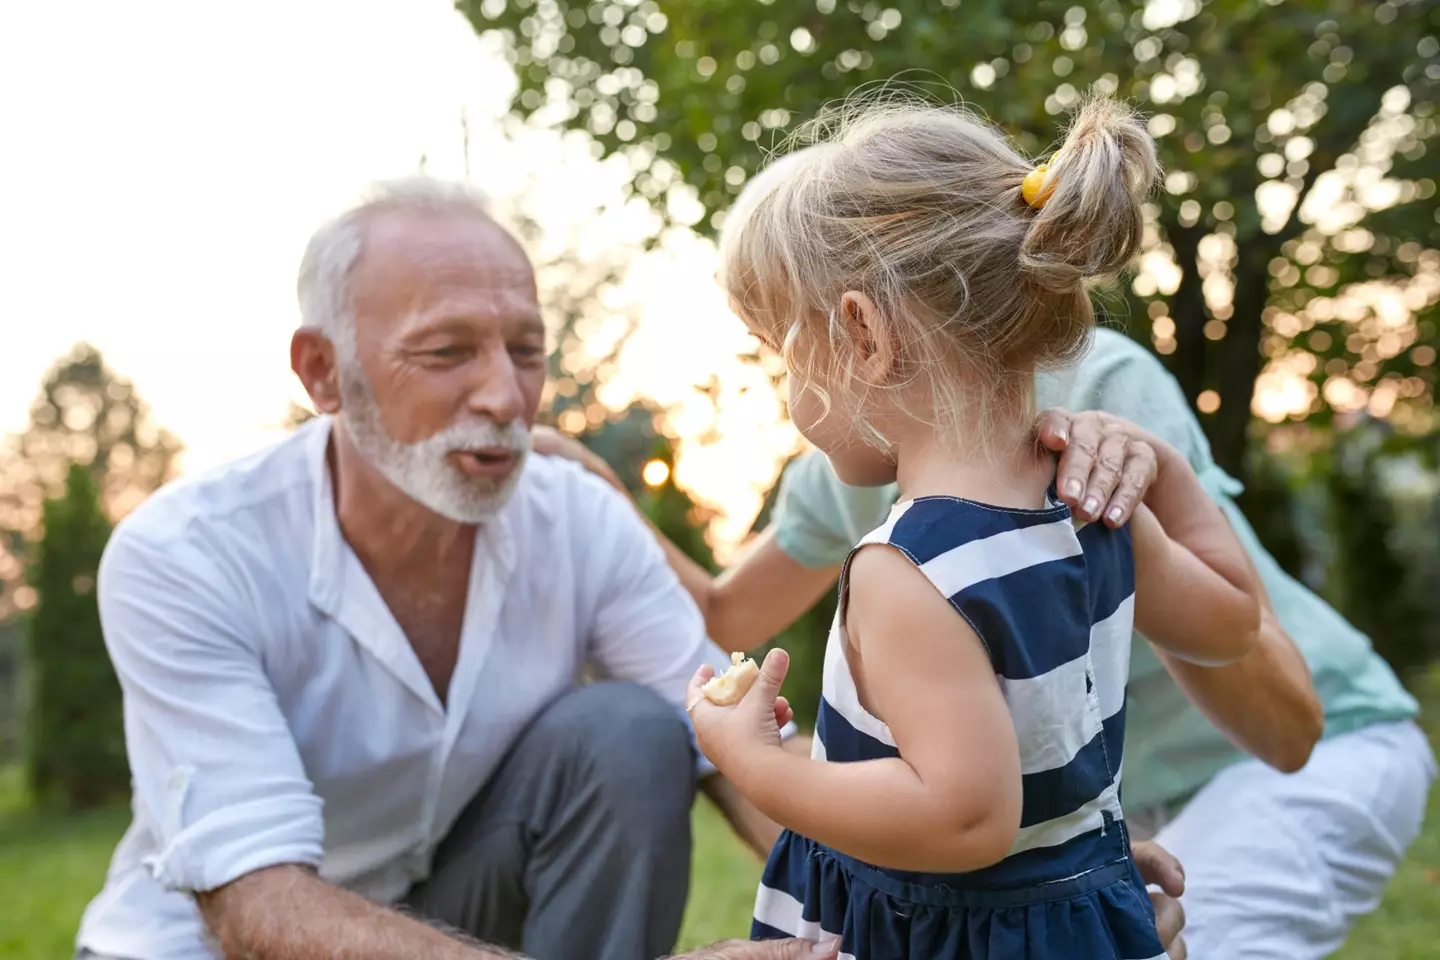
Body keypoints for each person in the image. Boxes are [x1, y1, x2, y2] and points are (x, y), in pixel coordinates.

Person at [543, 139, 1437, 960]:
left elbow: (964, 817)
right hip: (1071, 893)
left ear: (863, 335)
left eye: (782, 354)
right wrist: (1167, 480)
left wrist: (755, 763)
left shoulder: (907, 568)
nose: (784, 392)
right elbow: (1228, 616)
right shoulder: (1094, 502)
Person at [74, 176, 824, 960]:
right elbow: (255, 908)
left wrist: (916, 906)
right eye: (446, 351)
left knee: (628, 733)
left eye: (526, 351)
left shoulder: (577, 516)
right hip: (209, 948)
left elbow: (735, 754)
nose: (507, 395)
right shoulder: (188, 552)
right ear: (324, 371)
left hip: (439, 915)